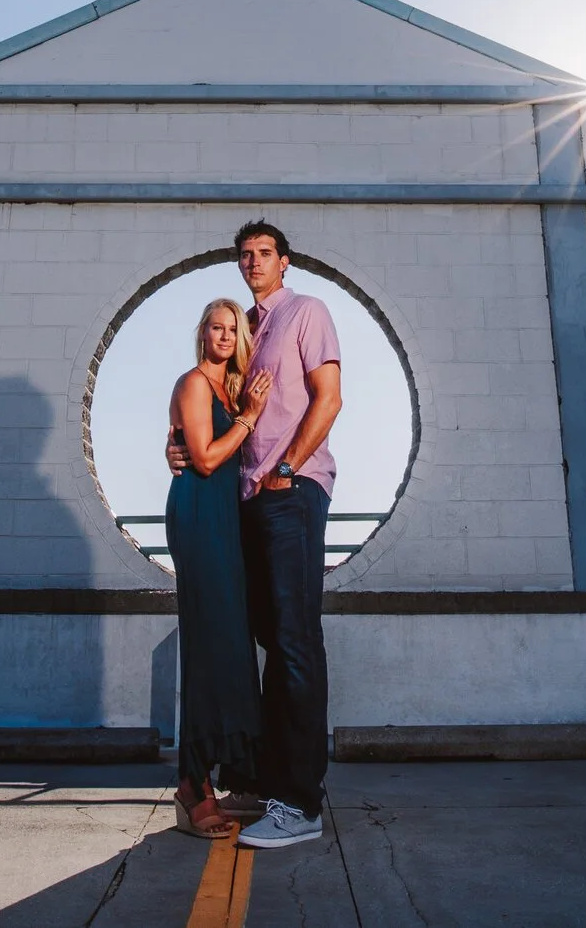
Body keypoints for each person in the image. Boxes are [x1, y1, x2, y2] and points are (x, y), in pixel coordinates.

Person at [171, 220, 343, 850]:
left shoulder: (305, 312)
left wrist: (289, 469)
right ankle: (265, 780)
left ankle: (300, 804)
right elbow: (212, 407)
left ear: (284, 261)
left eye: (264, 254)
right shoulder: (244, 328)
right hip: (241, 502)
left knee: (295, 641)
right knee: (264, 641)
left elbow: (329, 399)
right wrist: (178, 444)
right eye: (245, 255)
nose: (253, 262)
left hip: (291, 493)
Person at [165, 298, 271, 838]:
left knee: (229, 644)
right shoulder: (193, 383)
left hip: (223, 520)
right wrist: (249, 418)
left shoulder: (227, 387)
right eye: (217, 326)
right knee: (208, 646)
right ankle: (191, 786)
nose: (225, 336)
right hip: (198, 515)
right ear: (202, 331)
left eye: (234, 329)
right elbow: (203, 459)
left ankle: (232, 773)